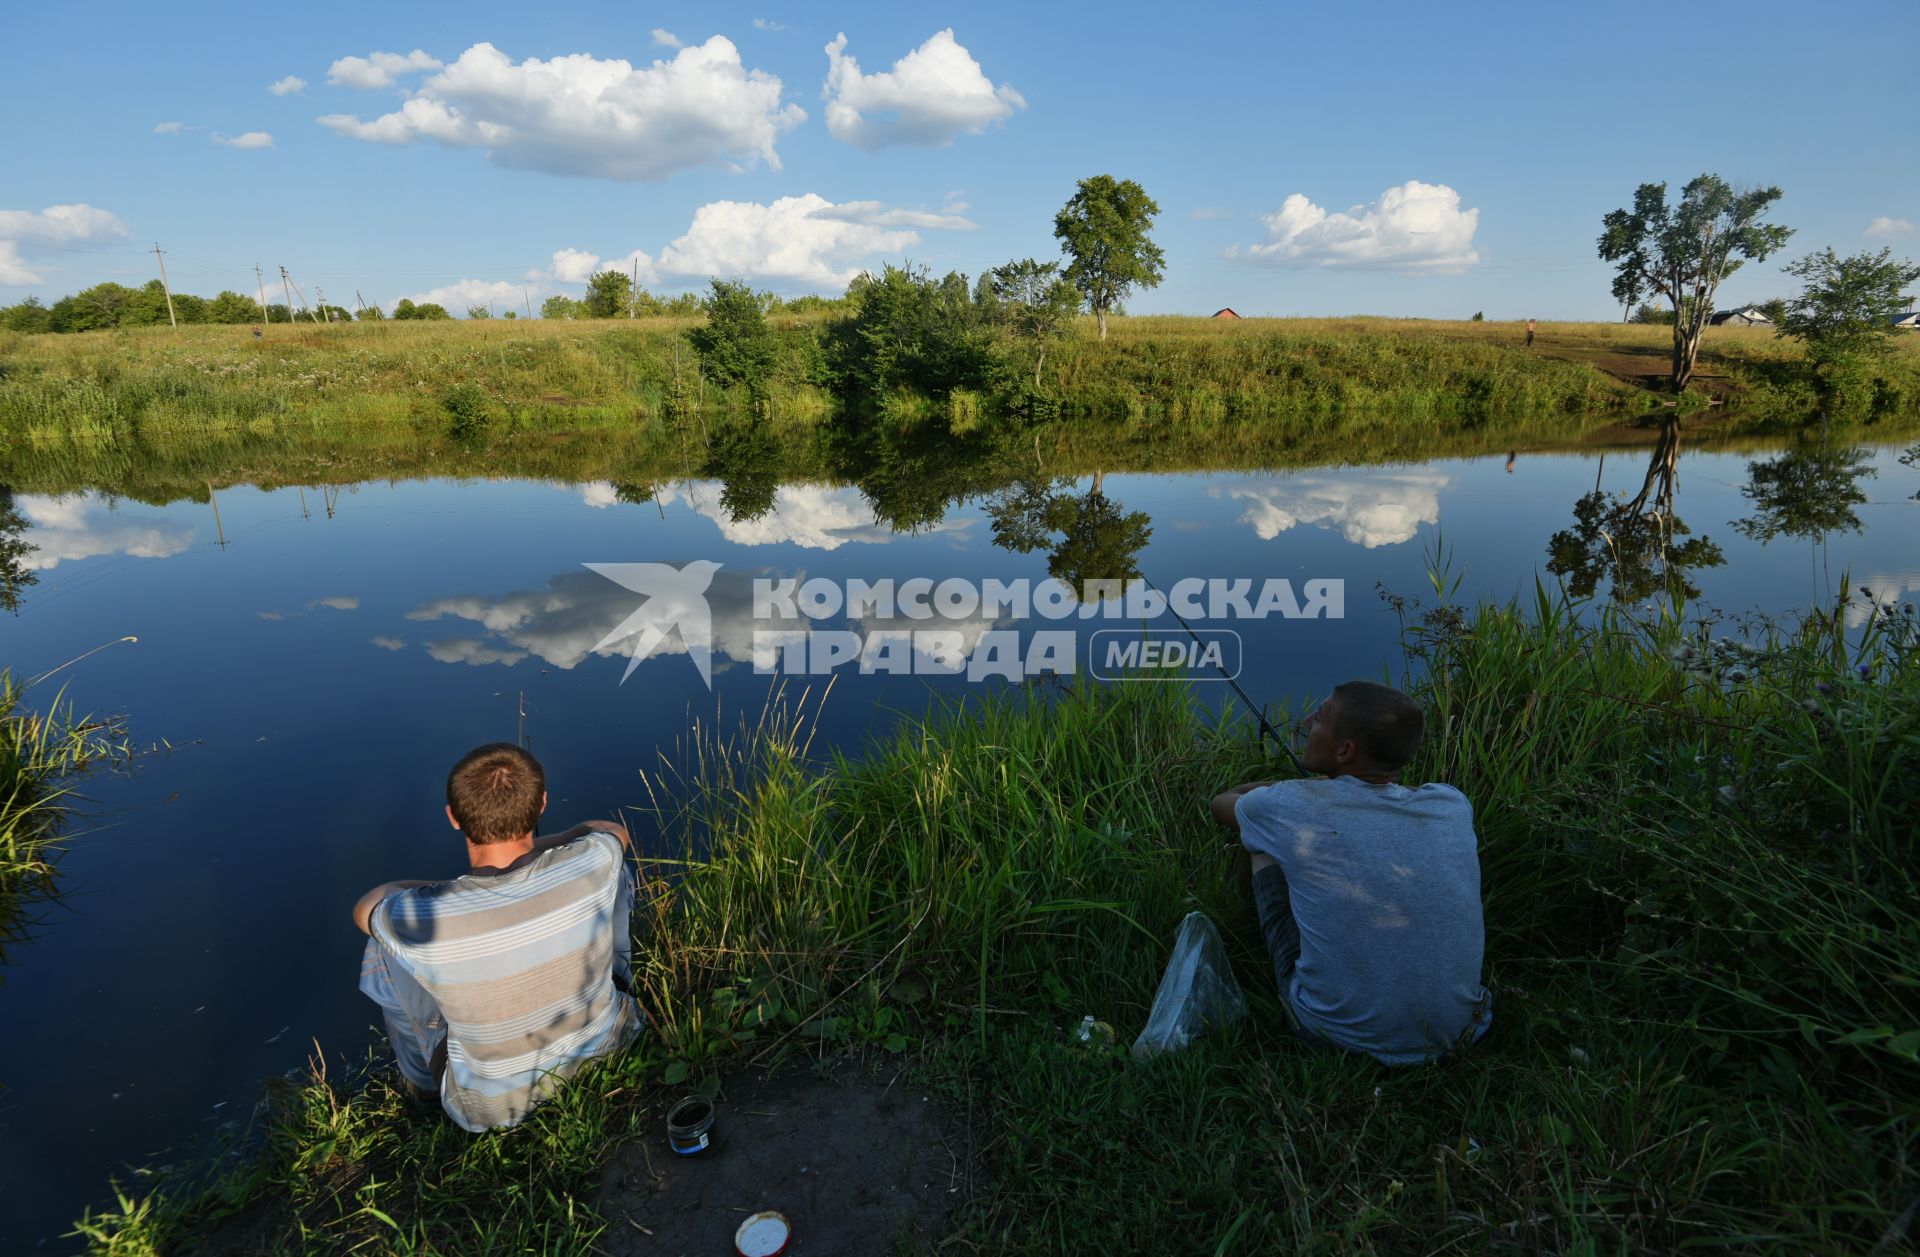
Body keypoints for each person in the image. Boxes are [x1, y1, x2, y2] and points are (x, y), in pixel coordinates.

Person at [353, 743, 645, 1130]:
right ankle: (619, 975)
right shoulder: (592, 860)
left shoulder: (424, 916)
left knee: (382, 946)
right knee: (617, 873)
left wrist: (456, 887)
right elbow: (611, 832)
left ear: (453, 817)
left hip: (491, 1110)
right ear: (541, 804)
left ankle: (423, 1087)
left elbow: (366, 907)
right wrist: (551, 843)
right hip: (611, 1049)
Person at [1211, 681, 1491, 1064]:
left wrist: (1292, 788)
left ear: (1345, 750)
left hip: (1334, 1034)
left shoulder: (1288, 806)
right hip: (1459, 1032)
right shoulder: (1451, 804)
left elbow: (1221, 804)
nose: (1308, 721)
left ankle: (1250, 938)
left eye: (1320, 717)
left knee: (1261, 843)